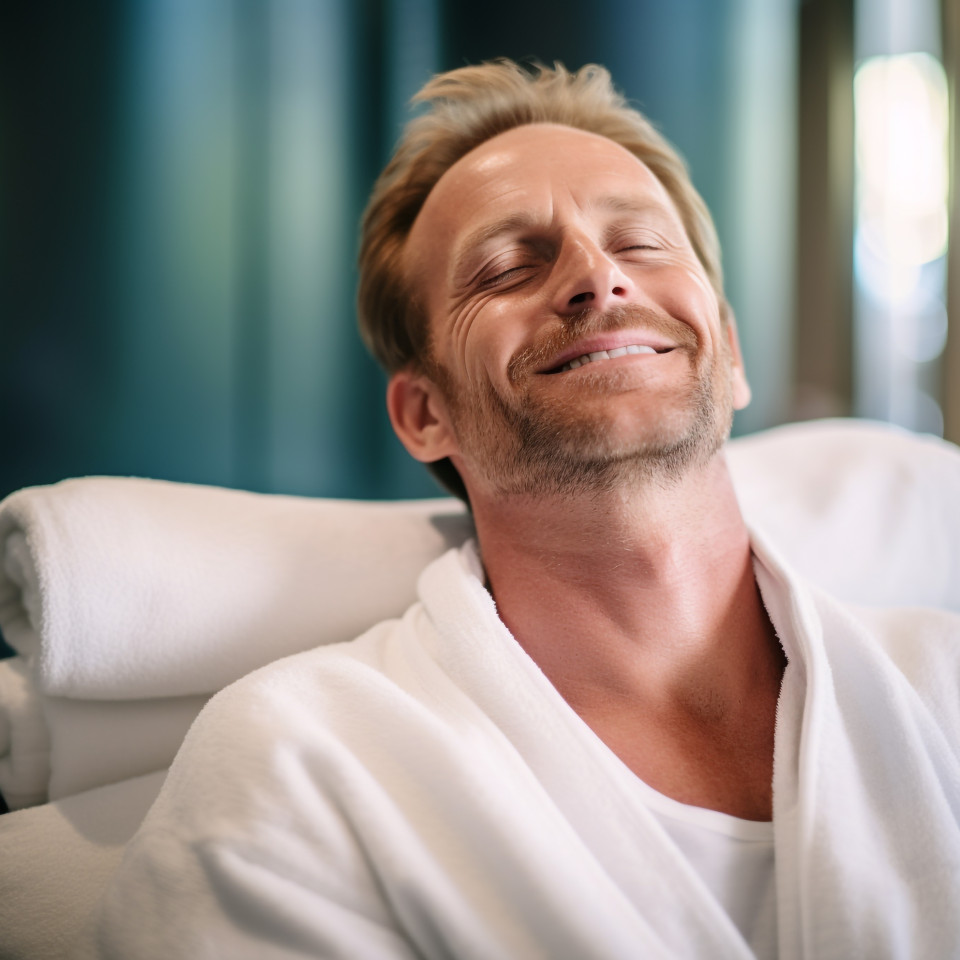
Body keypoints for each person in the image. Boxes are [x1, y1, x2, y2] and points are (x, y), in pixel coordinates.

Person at [77, 61, 960, 960]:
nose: (597, 276)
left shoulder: (945, 686)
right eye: (505, 268)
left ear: (728, 351)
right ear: (425, 414)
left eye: (641, 243)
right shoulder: (305, 762)